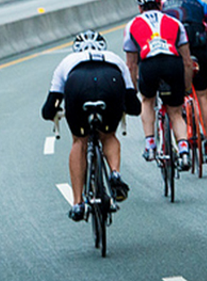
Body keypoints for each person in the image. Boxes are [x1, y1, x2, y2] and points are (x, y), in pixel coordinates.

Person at [42, 30, 141, 221]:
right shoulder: (114, 58)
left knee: (80, 140)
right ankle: (114, 173)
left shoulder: (67, 61)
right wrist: (124, 107)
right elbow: (134, 105)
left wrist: (52, 113)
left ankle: (78, 203)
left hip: (78, 85)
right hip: (110, 81)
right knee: (108, 135)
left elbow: (49, 106)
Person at [124, 0, 197, 170]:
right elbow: (187, 62)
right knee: (174, 112)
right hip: (172, 63)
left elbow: (131, 65)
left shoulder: (132, 25)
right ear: (160, 4)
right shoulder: (174, 22)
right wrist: (186, 87)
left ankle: (150, 145)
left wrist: (134, 91)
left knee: (147, 101)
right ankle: (183, 150)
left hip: (149, 64)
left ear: (140, 8)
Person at [162, 0, 207, 163]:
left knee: (174, 99)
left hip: (174, 50)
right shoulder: (202, 5)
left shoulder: (163, 4)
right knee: (202, 96)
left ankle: (175, 142)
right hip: (199, 50)